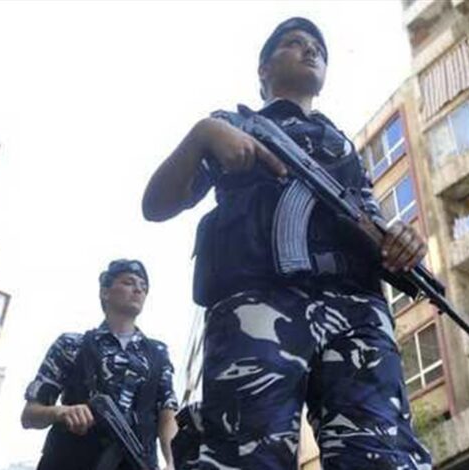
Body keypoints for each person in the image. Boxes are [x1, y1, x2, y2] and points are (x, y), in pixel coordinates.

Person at [142, 17, 432, 470]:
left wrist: (403, 240)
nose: (310, 50)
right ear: (263, 69)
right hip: (259, 302)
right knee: (247, 451)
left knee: (382, 454)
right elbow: (156, 205)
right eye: (295, 43)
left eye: (319, 48)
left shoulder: (342, 147)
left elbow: (371, 219)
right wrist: (202, 134)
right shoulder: (236, 126)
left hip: (355, 308)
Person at [21, 259, 178, 470]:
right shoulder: (71, 345)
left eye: (143, 286)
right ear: (105, 292)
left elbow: (167, 415)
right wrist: (62, 412)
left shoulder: (158, 353)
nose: (138, 290)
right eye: (128, 282)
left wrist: (172, 462)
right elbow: (29, 415)